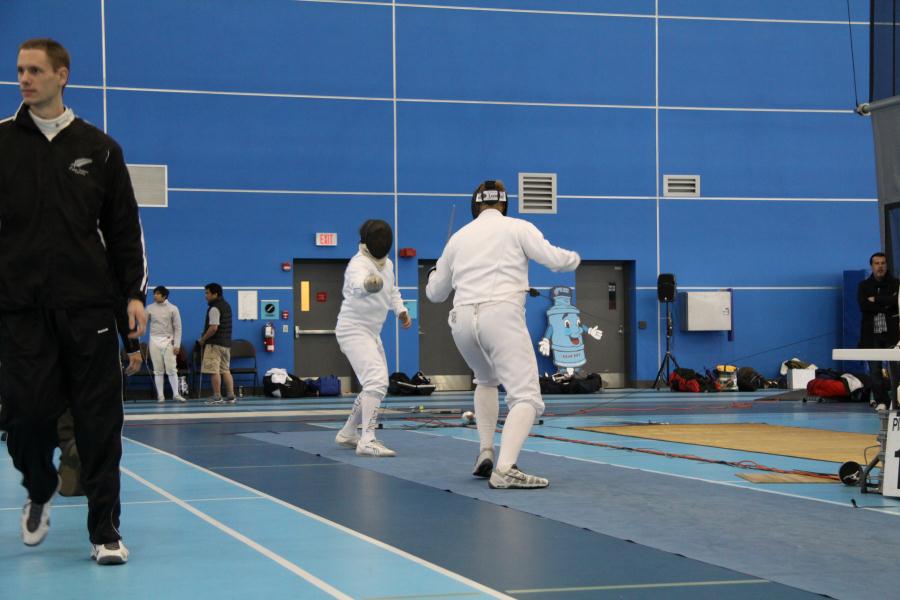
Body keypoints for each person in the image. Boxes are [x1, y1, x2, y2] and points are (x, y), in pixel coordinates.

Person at [0, 38, 148, 564]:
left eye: (35, 70)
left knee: (99, 425)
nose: (24, 78)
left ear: (62, 75)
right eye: (20, 70)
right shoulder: (3, 142)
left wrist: (133, 294)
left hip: (89, 310)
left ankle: (105, 531)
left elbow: (125, 229)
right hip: (21, 311)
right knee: (24, 418)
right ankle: (40, 488)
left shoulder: (100, 148)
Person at [426, 180, 580, 488]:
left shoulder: (458, 238)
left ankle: (485, 451)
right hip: (500, 316)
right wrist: (574, 258)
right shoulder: (518, 227)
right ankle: (506, 469)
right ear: (504, 204)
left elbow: (435, 294)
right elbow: (554, 259)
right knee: (527, 397)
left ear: (476, 205)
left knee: (485, 379)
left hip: (461, 321)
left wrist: (433, 273)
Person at [334, 219, 411, 456]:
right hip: (353, 329)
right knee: (376, 381)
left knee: (378, 384)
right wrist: (368, 284)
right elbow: (357, 286)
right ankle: (367, 439)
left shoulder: (388, 264)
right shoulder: (358, 264)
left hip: (371, 332)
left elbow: (392, 290)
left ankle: (348, 433)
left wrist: (401, 310)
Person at [857, 252, 900, 411]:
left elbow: (896, 302)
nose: (880, 266)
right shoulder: (863, 286)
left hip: (892, 335)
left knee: (896, 370)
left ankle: (897, 400)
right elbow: (864, 306)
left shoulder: (896, 284)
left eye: (883, 263)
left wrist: (876, 299)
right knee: (875, 371)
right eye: (877, 263)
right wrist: (887, 304)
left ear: (887, 265)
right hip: (871, 335)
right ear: (871, 266)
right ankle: (881, 400)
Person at [145, 286, 186, 403]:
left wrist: (177, 345)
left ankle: (176, 394)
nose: (155, 296)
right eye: (154, 293)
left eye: (157, 294)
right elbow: (143, 323)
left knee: (171, 369)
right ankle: (160, 396)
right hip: (154, 341)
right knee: (158, 370)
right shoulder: (149, 308)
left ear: (164, 296)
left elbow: (178, 328)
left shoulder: (173, 309)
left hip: (168, 341)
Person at [198, 283, 235, 404]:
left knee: (214, 370)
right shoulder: (226, 305)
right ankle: (231, 395)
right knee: (225, 370)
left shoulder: (214, 308)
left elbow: (214, 327)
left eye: (207, 293)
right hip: (226, 344)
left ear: (215, 294)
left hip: (214, 344)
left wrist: (203, 339)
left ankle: (217, 396)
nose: (205, 296)